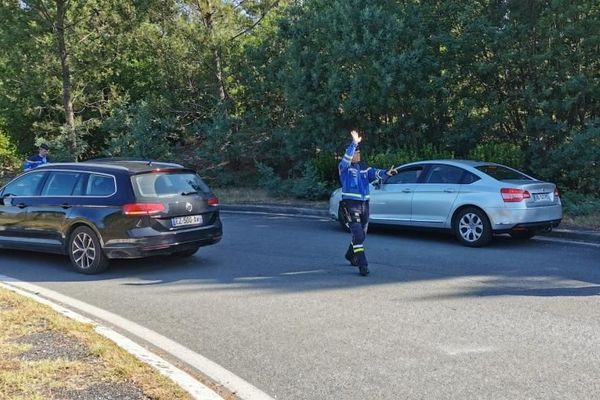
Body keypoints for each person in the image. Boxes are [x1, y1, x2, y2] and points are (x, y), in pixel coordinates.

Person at [338, 130, 397, 276]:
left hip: (364, 205)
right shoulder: (344, 168)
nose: (357, 154)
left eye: (358, 152)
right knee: (358, 236)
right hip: (351, 205)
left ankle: (349, 254)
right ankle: (362, 265)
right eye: (355, 152)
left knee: (362, 236)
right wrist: (354, 143)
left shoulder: (364, 168)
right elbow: (346, 158)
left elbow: (375, 173)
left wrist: (386, 173)